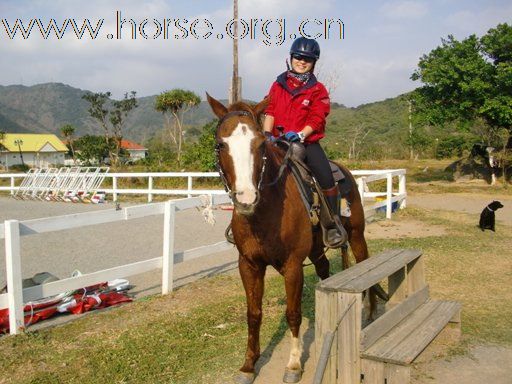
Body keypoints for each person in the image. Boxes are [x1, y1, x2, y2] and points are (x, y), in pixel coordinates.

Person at [263, 36, 347, 247]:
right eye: (298, 57)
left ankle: (332, 225)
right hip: (276, 142)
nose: (302, 61)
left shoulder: (318, 89)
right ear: (291, 58)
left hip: (306, 143)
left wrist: (301, 134)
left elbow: (317, 118)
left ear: (313, 63)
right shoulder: (277, 84)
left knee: (326, 177)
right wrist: (266, 134)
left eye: (307, 59)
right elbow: (270, 110)